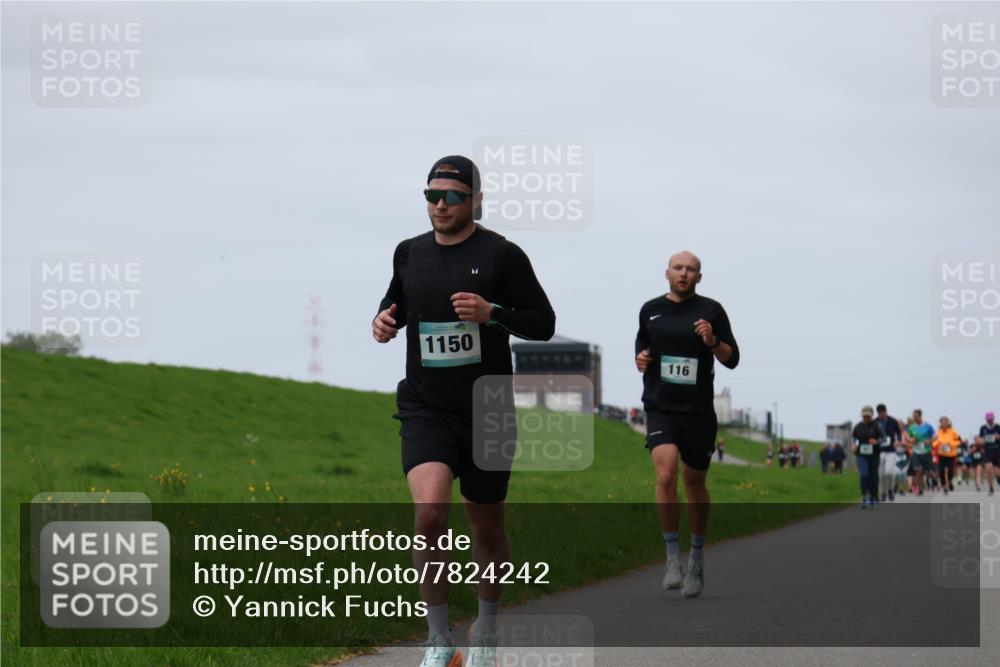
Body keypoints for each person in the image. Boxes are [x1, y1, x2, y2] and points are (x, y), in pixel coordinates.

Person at [374, 155, 556, 666]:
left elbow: (542, 322)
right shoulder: (408, 253)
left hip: (488, 408)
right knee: (430, 514)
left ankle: (487, 631)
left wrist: (493, 313)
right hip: (426, 407)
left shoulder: (502, 255)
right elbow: (394, 304)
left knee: (486, 527)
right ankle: (438, 640)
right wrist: (383, 322)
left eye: (450, 196)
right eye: (431, 196)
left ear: (476, 199)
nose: (439, 205)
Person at [635, 250, 740, 599]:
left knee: (694, 482)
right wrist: (641, 358)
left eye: (691, 269)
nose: (684, 274)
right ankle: (671, 558)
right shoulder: (650, 309)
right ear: (666, 273)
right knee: (665, 474)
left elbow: (732, 359)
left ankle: (696, 555)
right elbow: (642, 345)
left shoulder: (711, 311)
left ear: (699, 277)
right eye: (678, 268)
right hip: (661, 406)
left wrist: (712, 341)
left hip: (697, 412)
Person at [853, 405, 885, 509]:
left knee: (873, 476)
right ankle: (864, 496)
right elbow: (854, 438)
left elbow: (884, 438)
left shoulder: (877, 425)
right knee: (864, 474)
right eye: (864, 416)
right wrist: (854, 445)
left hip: (874, 455)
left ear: (871, 415)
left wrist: (877, 441)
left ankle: (873, 497)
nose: (866, 417)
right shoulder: (858, 426)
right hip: (861, 455)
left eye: (868, 416)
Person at [875, 404, 903, 501]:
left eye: (883, 413)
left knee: (889, 472)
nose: (881, 416)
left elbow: (899, 433)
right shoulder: (875, 422)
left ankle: (890, 489)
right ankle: (883, 492)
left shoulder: (893, 421)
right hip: (879, 451)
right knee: (881, 474)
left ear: (886, 412)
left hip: (891, 451)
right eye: (879, 414)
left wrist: (898, 441)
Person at [906, 409, 935, 496]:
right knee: (918, 470)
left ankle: (933, 478)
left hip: (926, 451)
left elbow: (935, 437)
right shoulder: (911, 428)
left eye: (916, 416)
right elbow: (908, 438)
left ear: (920, 416)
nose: (914, 418)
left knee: (928, 473)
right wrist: (912, 440)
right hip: (916, 452)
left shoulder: (928, 426)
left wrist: (929, 441)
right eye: (913, 416)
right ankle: (920, 488)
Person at [933, 416, 960, 494]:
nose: (944, 424)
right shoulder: (938, 432)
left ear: (948, 423)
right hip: (941, 454)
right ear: (940, 424)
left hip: (951, 454)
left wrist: (951, 444)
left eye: (945, 422)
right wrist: (937, 443)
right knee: (941, 470)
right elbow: (934, 442)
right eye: (942, 422)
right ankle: (944, 485)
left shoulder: (953, 432)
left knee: (950, 471)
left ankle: (950, 481)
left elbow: (958, 441)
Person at [982, 412, 1000, 496]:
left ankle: (998, 478)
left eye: (991, 419)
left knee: (997, 472)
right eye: (988, 420)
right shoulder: (983, 428)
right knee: (989, 469)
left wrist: (998, 437)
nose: (989, 421)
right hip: (987, 451)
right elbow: (981, 438)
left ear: (993, 419)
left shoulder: (998, 427)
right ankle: (991, 488)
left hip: (997, 450)